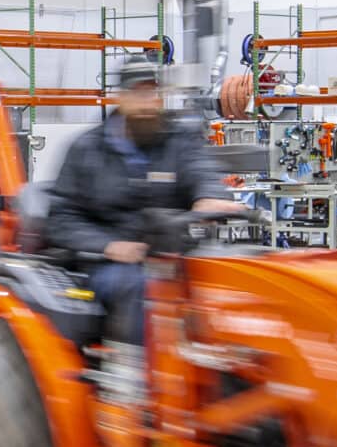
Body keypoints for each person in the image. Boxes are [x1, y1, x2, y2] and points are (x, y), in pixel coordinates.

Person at [42, 59, 237, 352]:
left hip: (172, 254)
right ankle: (139, 379)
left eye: (153, 93)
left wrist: (209, 197)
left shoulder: (178, 140)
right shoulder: (87, 150)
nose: (148, 102)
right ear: (120, 98)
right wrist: (111, 246)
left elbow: (201, 170)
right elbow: (61, 218)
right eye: (139, 93)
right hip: (108, 262)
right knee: (144, 287)